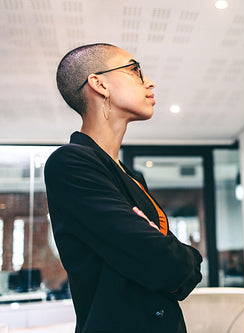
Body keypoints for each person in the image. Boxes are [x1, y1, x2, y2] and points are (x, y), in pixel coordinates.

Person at [44, 43, 202, 333]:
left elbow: (180, 271)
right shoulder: (70, 164)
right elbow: (169, 267)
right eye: (135, 71)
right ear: (99, 83)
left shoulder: (132, 176)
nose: (149, 82)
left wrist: (171, 253)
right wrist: (175, 253)